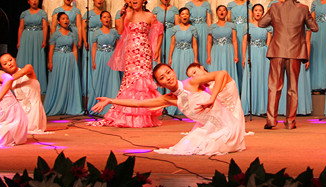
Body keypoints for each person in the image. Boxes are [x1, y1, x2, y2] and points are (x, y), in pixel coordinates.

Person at [92, 64, 246, 155]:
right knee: (186, 147)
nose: (168, 77)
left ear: (173, 71)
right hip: (208, 128)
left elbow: (222, 74)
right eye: (162, 78)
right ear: (160, 84)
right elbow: (139, 104)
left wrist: (212, 98)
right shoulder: (169, 99)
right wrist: (111, 100)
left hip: (228, 127)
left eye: (168, 72)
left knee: (206, 147)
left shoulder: (191, 83)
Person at [91, 0, 165, 127]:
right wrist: (122, 16)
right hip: (131, 52)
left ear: (144, 0)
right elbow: (120, 31)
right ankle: (127, 115)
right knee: (130, 81)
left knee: (143, 82)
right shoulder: (128, 14)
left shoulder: (149, 16)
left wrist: (156, 49)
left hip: (144, 52)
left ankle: (143, 116)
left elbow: (160, 31)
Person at [258, 0, 318, 129]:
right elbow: (314, 28)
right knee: (293, 88)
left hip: (277, 51)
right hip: (295, 53)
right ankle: (290, 122)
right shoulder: (303, 8)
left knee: (274, 87)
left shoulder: (274, 7)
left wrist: (275, 22)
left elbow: (261, 24)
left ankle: (271, 120)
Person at [0, 53, 48, 134]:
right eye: (5, 64)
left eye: (10, 60)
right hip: (20, 112)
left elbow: (23, 72)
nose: (9, 64)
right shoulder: (9, 82)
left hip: (34, 110)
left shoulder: (28, 68)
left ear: (14, 59)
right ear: (3, 68)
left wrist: (8, 80)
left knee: (24, 131)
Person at [44, 13, 83, 116]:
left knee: (69, 81)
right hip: (58, 59)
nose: (66, 20)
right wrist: (50, 62)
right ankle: (57, 105)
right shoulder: (55, 35)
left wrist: (75, 62)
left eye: (67, 18)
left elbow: (74, 49)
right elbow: (51, 50)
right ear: (58, 21)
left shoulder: (72, 35)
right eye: (63, 19)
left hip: (70, 59)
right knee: (58, 80)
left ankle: (70, 106)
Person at [241, 4, 272, 115]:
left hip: (263, 54)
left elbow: (269, 43)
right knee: (252, 77)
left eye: (260, 11)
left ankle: (262, 108)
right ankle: (250, 107)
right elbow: (244, 42)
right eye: (256, 10)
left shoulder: (268, 26)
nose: (258, 12)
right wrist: (244, 57)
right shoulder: (248, 26)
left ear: (263, 13)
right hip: (252, 53)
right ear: (252, 12)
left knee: (263, 78)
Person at [16, 0, 48, 94]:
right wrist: (19, 41)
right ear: (28, 1)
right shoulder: (24, 13)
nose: (34, 1)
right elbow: (21, 27)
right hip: (26, 37)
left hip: (38, 37)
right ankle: (21, 83)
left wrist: (44, 40)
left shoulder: (42, 13)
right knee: (23, 58)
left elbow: (45, 27)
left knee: (38, 58)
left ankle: (37, 84)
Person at [89, 10, 122, 109]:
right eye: (104, 17)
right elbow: (94, 47)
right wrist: (93, 61)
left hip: (112, 57)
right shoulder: (96, 33)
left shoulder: (114, 32)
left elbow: (118, 46)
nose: (107, 19)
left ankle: (113, 104)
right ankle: (98, 103)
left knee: (112, 79)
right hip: (100, 57)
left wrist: (118, 59)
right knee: (100, 78)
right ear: (100, 19)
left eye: (108, 17)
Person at [207, 5, 239, 85]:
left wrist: (236, 55)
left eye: (224, 10)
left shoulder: (232, 25)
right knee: (216, 70)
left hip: (228, 51)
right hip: (216, 51)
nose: (221, 12)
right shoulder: (212, 27)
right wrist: (209, 56)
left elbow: (234, 40)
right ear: (217, 13)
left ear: (226, 13)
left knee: (228, 70)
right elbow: (209, 42)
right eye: (219, 10)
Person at [185, 0, 212, 65]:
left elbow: (209, 19)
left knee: (204, 48)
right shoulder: (188, 5)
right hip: (193, 28)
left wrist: (210, 32)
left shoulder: (206, 4)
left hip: (204, 29)